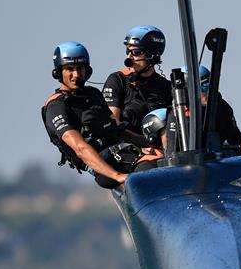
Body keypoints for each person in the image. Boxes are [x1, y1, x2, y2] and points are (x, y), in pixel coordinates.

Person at [42, 42, 134, 188]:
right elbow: (80, 147)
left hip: (123, 150)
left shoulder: (93, 94)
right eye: (69, 69)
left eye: (80, 68)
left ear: (87, 70)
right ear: (58, 72)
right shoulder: (56, 107)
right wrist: (118, 176)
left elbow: (117, 130)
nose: (76, 75)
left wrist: (149, 144)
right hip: (104, 166)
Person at [102, 25, 172, 150]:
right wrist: (144, 144)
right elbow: (112, 125)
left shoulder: (166, 87)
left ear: (153, 55)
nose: (129, 57)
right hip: (127, 149)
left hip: (160, 151)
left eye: (136, 52)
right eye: (127, 52)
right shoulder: (117, 80)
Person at [187, 65, 241, 153]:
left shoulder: (223, 109)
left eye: (211, 87)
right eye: (204, 88)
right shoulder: (179, 114)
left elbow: (236, 141)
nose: (209, 93)